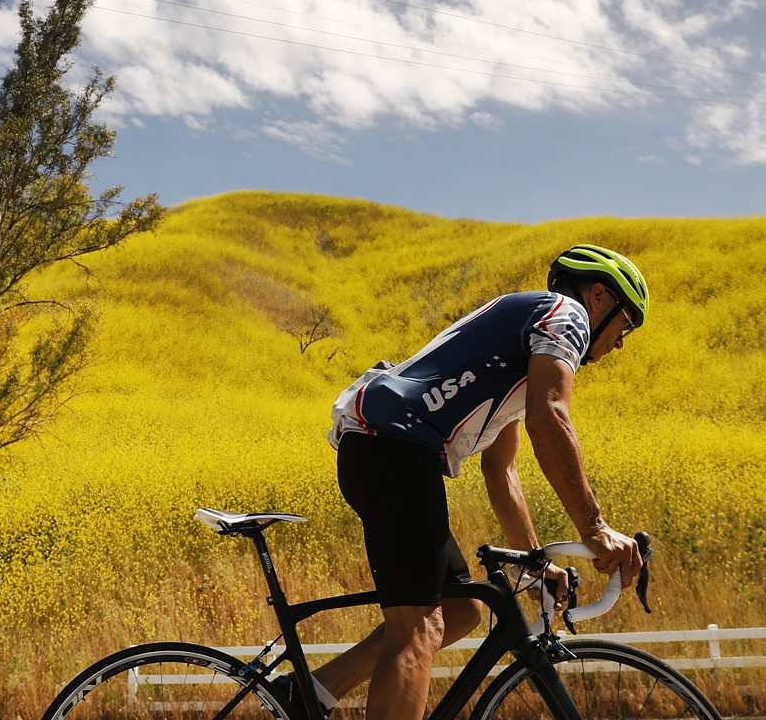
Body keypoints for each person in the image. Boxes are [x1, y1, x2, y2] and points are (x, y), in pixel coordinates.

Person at [272, 244, 650, 720]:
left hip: (387, 450)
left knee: (460, 611)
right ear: (598, 296)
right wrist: (595, 528)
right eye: (626, 325)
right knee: (419, 629)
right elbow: (550, 417)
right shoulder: (566, 314)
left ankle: (307, 694)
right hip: (395, 448)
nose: (620, 343)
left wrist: (535, 566)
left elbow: (501, 471)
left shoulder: (520, 352)